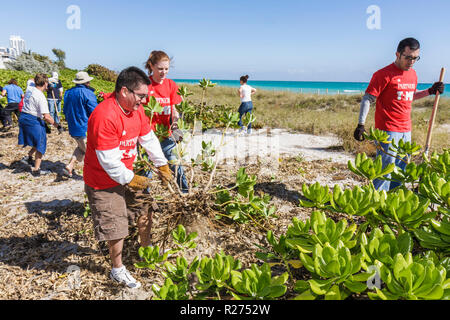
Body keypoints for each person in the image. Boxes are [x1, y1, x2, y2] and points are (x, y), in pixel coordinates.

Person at [83, 66, 173, 289]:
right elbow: (108, 161)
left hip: (127, 173)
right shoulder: (104, 116)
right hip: (102, 180)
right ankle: (117, 269)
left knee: (145, 209)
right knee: (116, 225)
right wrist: (131, 179)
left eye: (145, 96)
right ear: (125, 91)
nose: (144, 101)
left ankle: (146, 250)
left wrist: (162, 165)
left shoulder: (137, 111)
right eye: (141, 96)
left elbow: (149, 139)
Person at [353, 37, 445, 191]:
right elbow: (368, 98)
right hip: (387, 129)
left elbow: (409, 96)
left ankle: (393, 201)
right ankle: (377, 202)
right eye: (408, 57)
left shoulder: (413, 74)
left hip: (405, 130)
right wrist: (361, 124)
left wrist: (430, 91)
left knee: (401, 171)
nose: (411, 62)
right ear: (397, 54)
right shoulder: (383, 74)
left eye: (415, 58)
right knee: (385, 169)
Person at [144, 50, 189, 193]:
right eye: (160, 69)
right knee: (146, 171)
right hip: (147, 136)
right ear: (151, 66)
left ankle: (185, 195)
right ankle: (147, 203)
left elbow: (174, 109)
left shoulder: (171, 85)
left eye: (166, 69)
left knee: (176, 166)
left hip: (166, 134)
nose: (164, 72)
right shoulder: (145, 85)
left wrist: (176, 126)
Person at [18, 73, 59, 176]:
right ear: (45, 84)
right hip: (33, 120)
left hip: (23, 117)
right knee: (41, 143)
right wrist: (58, 126)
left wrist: (47, 79)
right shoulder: (40, 97)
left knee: (36, 141)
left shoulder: (30, 88)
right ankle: (36, 170)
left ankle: (28, 157)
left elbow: (30, 79)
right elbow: (47, 117)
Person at [62, 71, 98, 177]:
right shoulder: (88, 93)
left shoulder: (68, 92)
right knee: (92, 153)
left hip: (73, 127)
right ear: (86, 82)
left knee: (81, 148)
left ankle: (70, 166)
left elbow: (64, 110)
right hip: (85, 128)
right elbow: (95, 112)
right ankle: (93, 176)